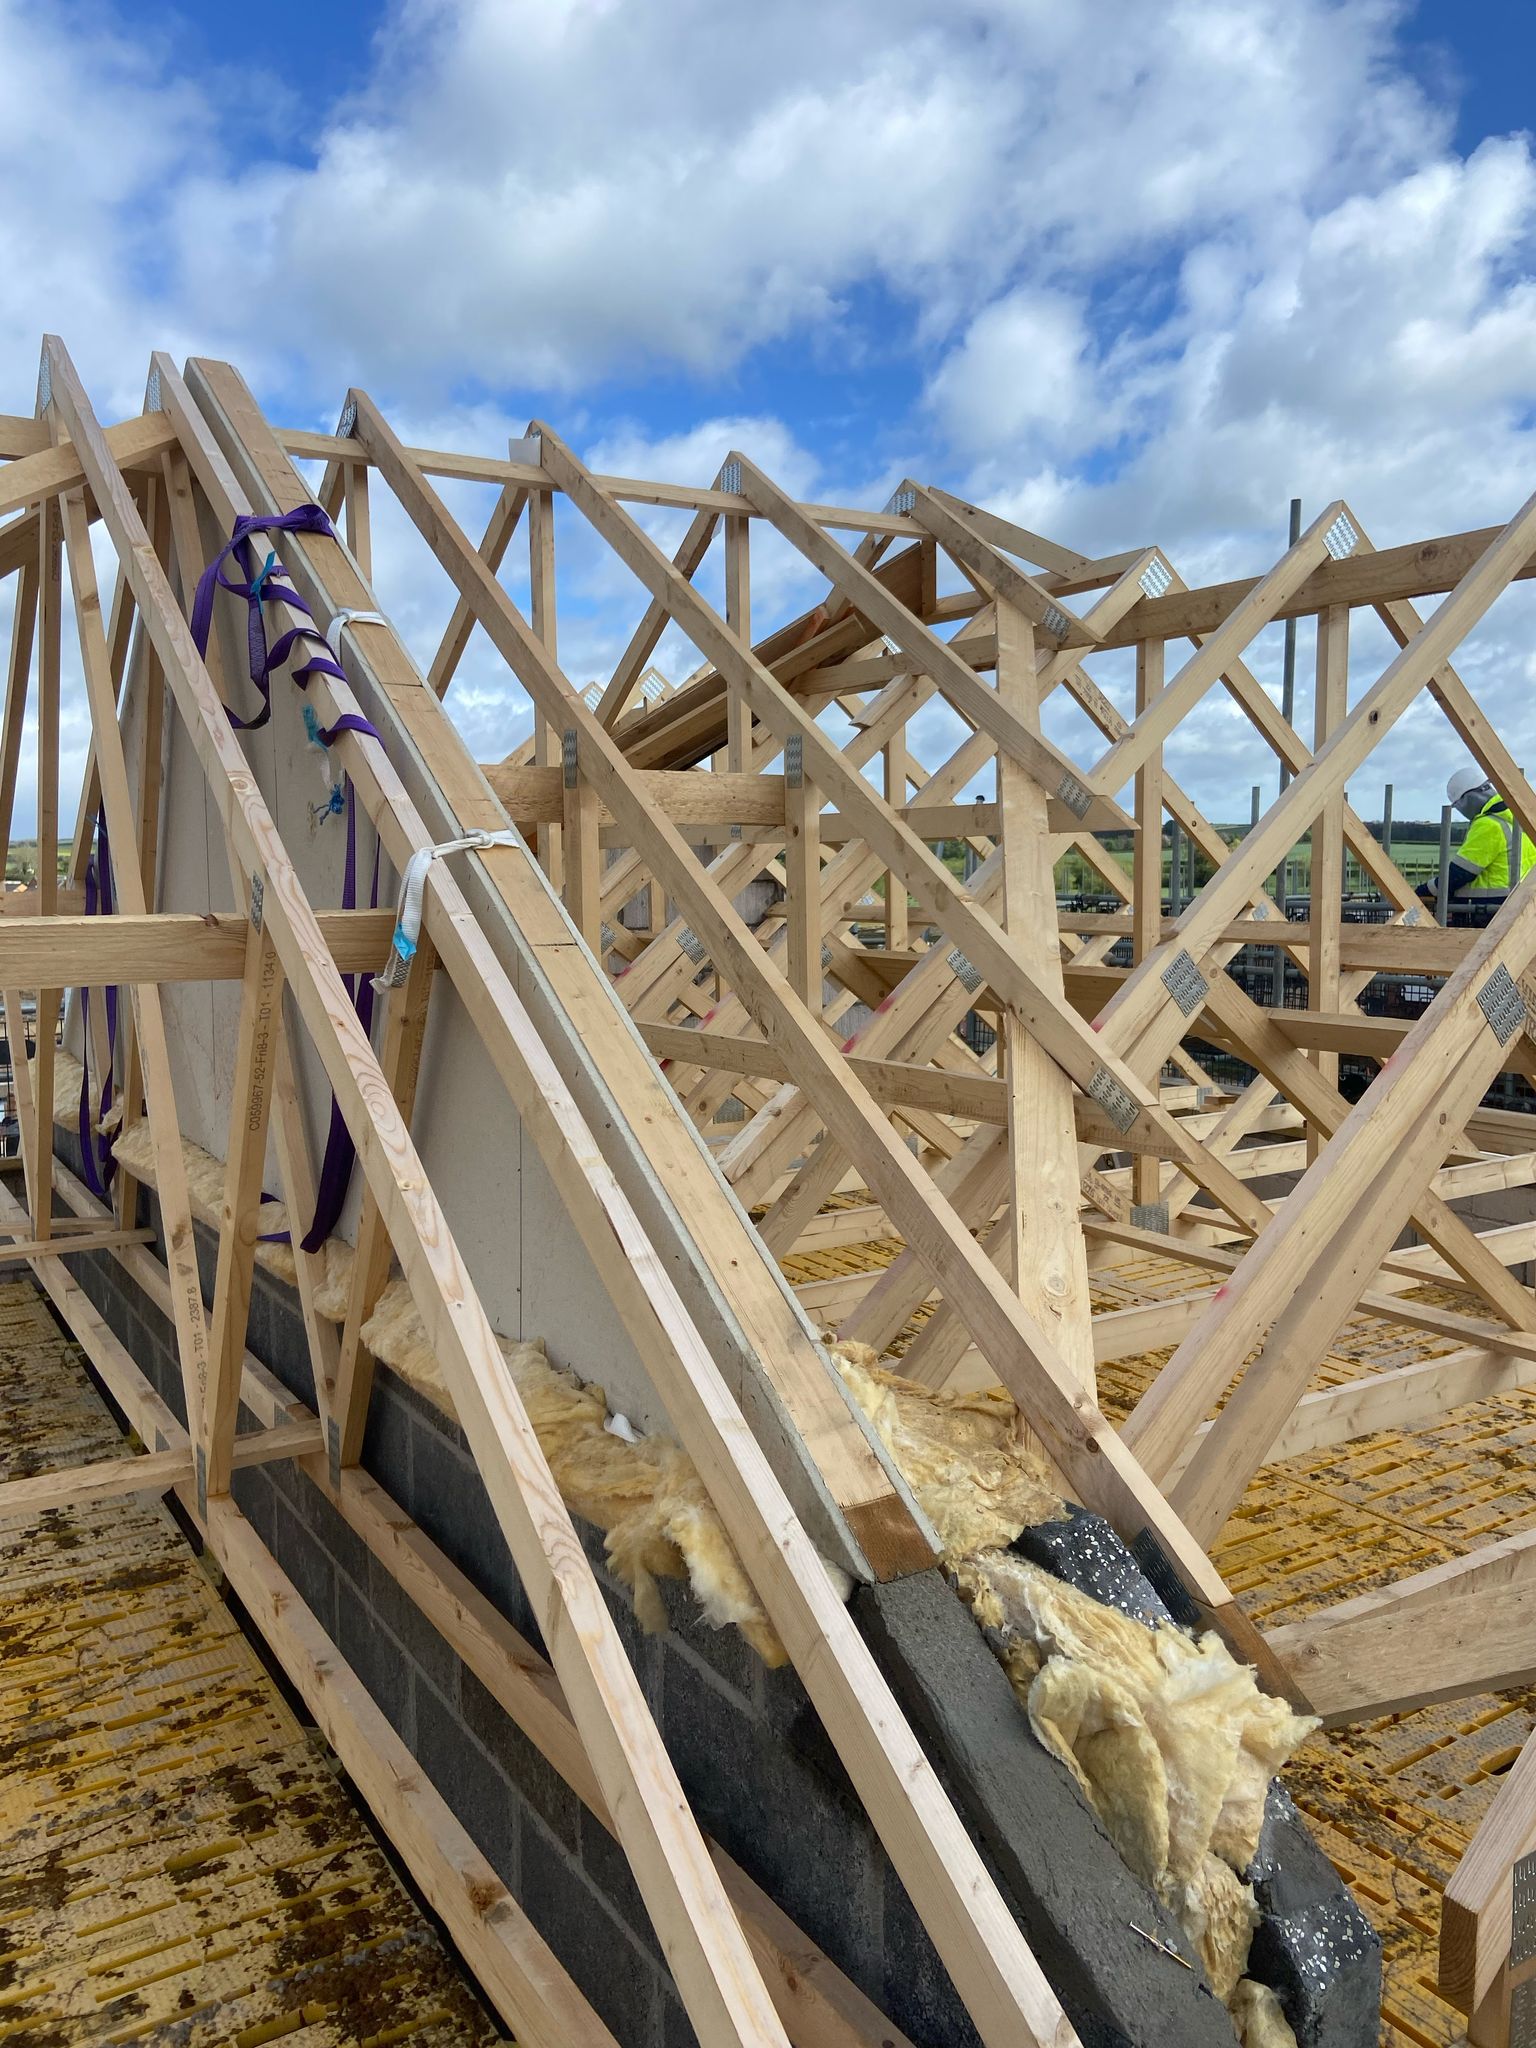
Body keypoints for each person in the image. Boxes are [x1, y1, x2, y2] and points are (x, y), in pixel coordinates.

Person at [1431, 767, 1536, 899]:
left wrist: (1424, 890)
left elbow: (1459, 874)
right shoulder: (1522, 819)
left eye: (1457, 805)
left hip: (1490, 910)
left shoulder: (1488, 824)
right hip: (1523, 904)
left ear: (1468, 798)